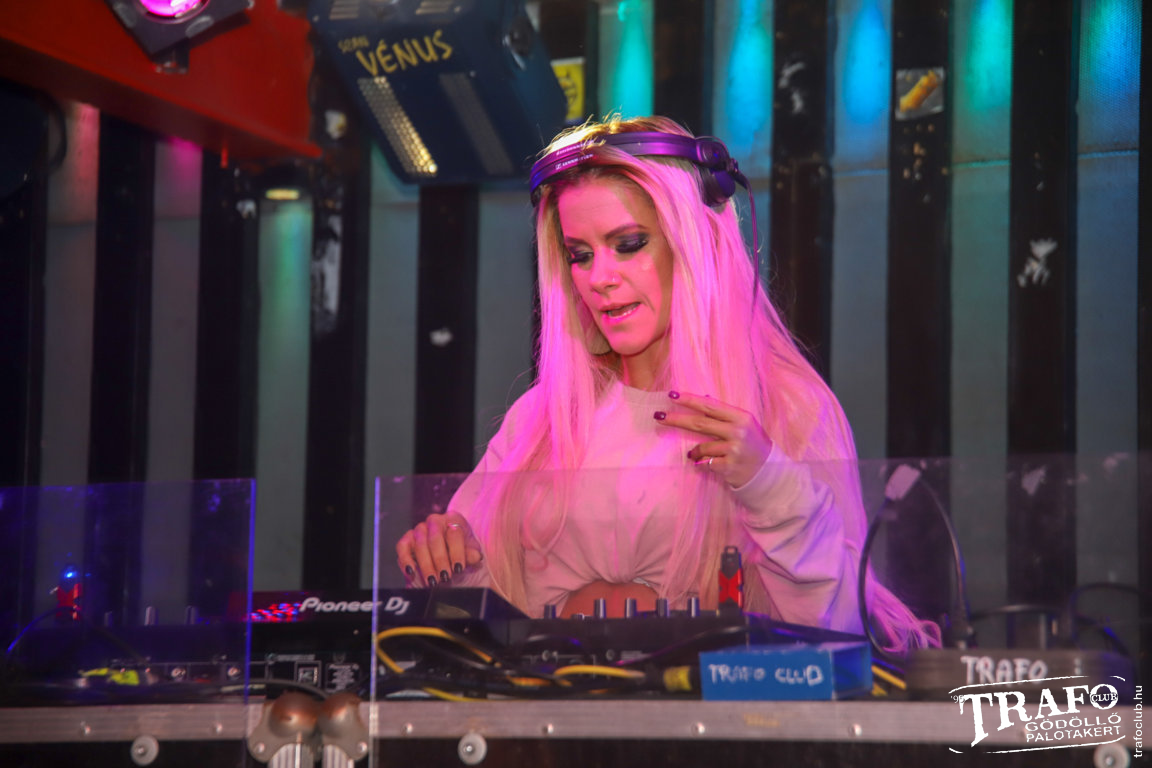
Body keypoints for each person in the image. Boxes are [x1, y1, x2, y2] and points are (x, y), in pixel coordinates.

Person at [396, 115, 938, 651]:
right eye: (579, 255)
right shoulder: (540, 420)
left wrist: (768, 483)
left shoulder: (789, 409)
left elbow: (837, 633)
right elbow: (474, 627)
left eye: (629, 244)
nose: (599, 278)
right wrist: (446, 561)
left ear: (694, 242)